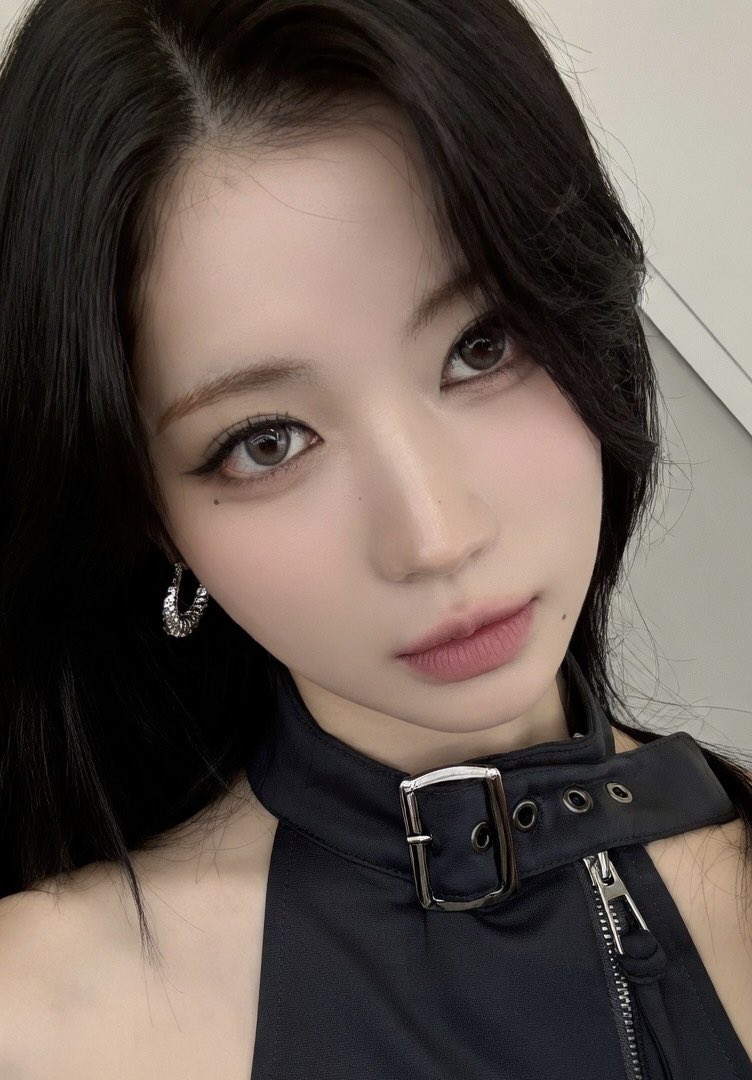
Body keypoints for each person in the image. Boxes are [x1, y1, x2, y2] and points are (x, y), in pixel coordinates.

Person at [0, 0, 750, 1075]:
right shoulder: (43, 1021)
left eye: (482, 346)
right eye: (265, 442)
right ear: (148, 515)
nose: (435, 537)